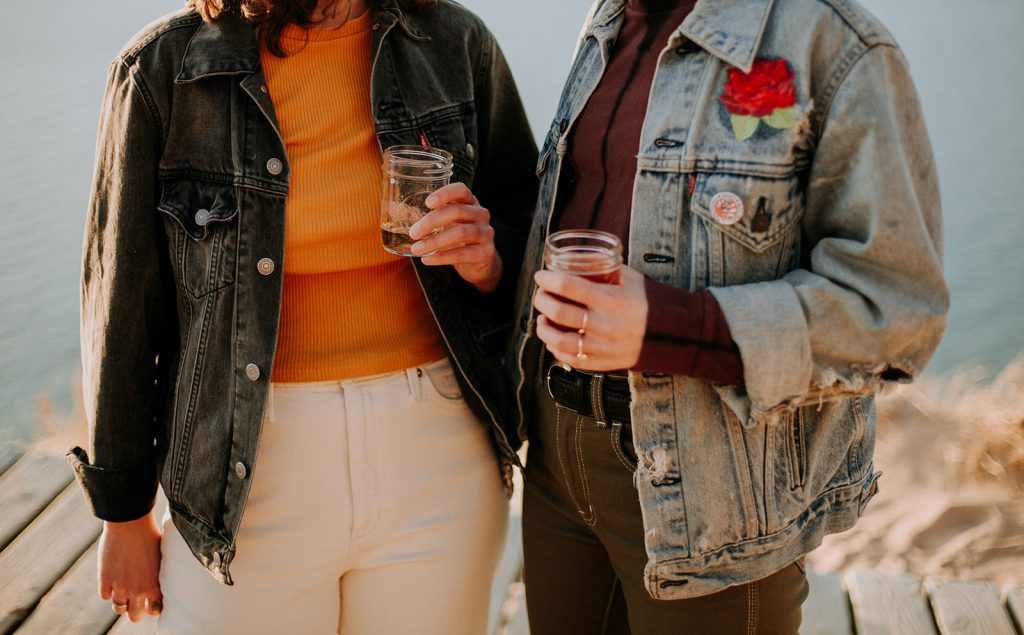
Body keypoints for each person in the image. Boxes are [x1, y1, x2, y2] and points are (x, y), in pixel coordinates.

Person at [66, 0, 537, 631]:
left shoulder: (454, 41)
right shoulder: (164, 65)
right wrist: (122, 514)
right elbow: (119, 304)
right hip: (242, 469)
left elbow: (530, 230)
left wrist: (490, 259)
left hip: (440, 458)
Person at [507, 0, 948, 632]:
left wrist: (667, 325)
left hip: (715, 496)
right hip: (556, 464)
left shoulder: (837, 43)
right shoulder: (606, 17)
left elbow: (896, 314)